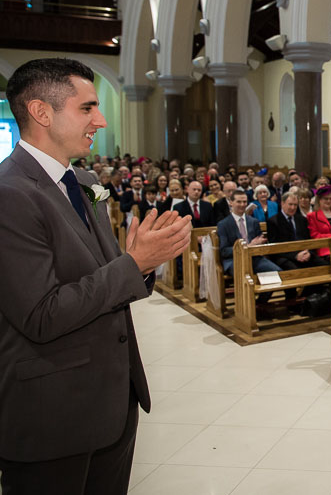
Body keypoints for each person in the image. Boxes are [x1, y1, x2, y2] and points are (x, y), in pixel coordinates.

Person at [0, 58, 192, 494]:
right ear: (41, 113)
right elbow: (41, 314)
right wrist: (134, 264)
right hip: (52, 410)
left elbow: (101, 275)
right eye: (87, 108)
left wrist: (139, 262)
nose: (100, 121)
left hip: (110, 400)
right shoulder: (9, 194)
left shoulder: (82, 181)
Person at [216, 191, 282, 279]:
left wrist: (260, 244)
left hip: (254, 258)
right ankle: (244, 293)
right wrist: (248, 246)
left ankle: (260, 293)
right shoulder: (223, 224)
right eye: (239, 202)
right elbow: (224, 251)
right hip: (234, 260)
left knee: (277, 273)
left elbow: (260, 243)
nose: (242, 204)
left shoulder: (253, 221)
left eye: (244, 202)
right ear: (231, 203)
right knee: (244, 276)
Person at [267, 190, 326, 269]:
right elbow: (275, 247)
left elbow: (308, 240)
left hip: (304, 253)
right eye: (290, 204)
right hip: (285, 256)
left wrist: (308, 252)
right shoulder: (273, 221)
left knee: (324, 265)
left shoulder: (302, 219)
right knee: (295, 269)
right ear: (282, 203)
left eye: (295, 205)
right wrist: (295, 255)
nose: (293, 208)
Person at [306, 185, 331, 259]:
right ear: (319, 200)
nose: (328, 201)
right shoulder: (312, 216)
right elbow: (315, 236)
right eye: (326, 199)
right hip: (325, 249)